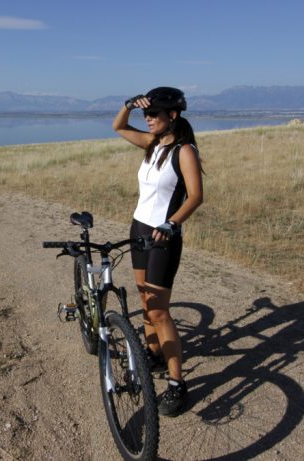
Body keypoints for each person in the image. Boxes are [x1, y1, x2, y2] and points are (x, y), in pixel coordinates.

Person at [112, 87, 203, 417]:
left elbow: (195, 196)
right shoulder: (151, 144)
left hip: (163, 236)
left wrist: (172, 223)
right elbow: (119, 127)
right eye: (145, 114)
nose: (147, 119)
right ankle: (153, 353)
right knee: (144, 302)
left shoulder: (185, 151)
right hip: (138, 229)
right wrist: (127, 104)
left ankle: (178, 383)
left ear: (173, 116)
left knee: (160, 311)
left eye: (154, 114)